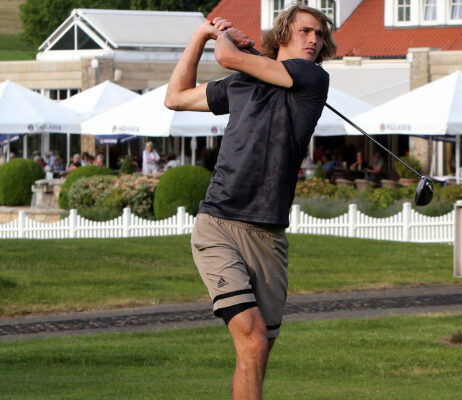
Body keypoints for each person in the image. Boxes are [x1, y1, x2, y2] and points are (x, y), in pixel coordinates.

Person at [164, 5, 336, 399]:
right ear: (282, 34)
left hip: (269, 236)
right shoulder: (242, 82)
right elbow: (175, 98)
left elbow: (227, 55)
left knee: (257, 352)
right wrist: (202, 36)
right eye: (306, 31)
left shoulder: (312, 78)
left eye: (320, 35)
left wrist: (224, 36)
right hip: (219, 223)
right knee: (253, 341)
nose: (314, 39)